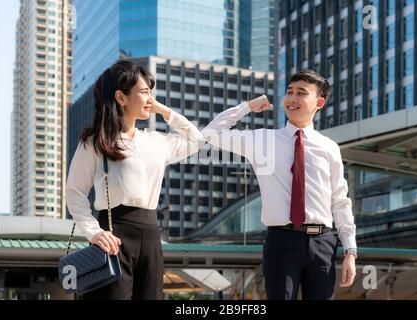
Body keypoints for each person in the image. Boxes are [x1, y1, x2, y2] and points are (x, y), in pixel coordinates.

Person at [202, 69, 357, 300]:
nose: (292, 98)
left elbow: (340, 200)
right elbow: (211, 133)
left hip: (323, 242)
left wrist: (350, 251)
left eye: (301, 93)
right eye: (289, 92)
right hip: (281, 241)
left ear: (319, 102)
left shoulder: (329, 147)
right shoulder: (263, 140)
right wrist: (246, 107)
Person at [66, 60, 204, 300]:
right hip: (113, 234)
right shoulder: (95, 142)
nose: (150, 98)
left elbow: (197, 140)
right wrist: (94, 233)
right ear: (121, 97)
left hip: (151, 235)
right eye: (144, 92)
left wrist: (164, 111)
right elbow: (75, 192)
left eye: (151, 92)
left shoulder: (155, 141)